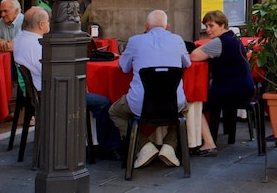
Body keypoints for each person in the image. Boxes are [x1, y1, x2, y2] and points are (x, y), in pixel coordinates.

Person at [13, 7, 122, 160]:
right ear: (41, 25)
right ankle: (109, 147)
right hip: (53, 94)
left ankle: (94, 142)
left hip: (39, 92)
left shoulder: (20, 40)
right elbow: (53, 72)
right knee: (103, 103)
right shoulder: (37, 45)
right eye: (48, 22)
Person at [110, 10, 191, 169]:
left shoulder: (135, 41)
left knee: (114, 111)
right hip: (173, 102)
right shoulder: (177, 40)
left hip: (141, 104)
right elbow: (187, 64)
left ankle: (144, 146)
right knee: (185, 107)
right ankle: (169, 145)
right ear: (167, 26)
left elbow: (123, 67)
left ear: (146, 26)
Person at [189, 10, 256, 156]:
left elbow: (194, 56)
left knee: (193, 103)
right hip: (245, 87)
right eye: (206, 26)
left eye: (211, 26)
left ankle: (208, 143)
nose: (207, 30)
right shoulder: (233, 39)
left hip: (231, 89)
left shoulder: (220, 42)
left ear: (222, 25)